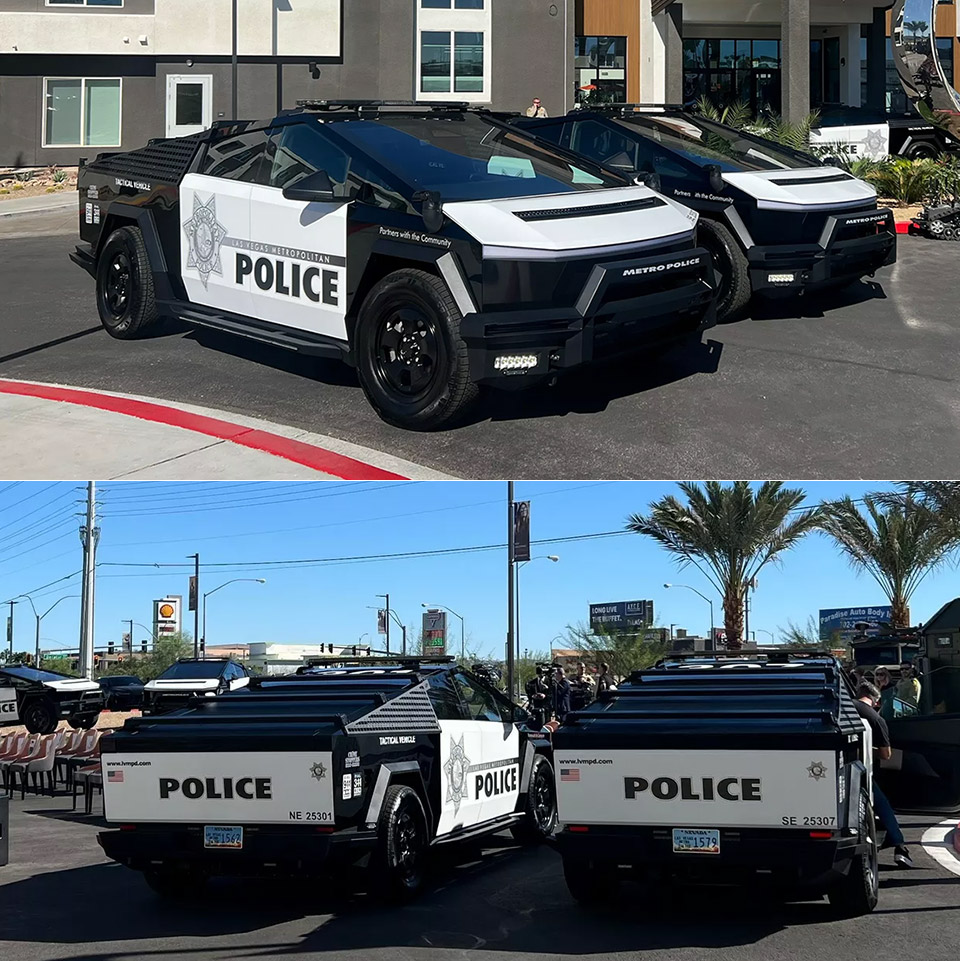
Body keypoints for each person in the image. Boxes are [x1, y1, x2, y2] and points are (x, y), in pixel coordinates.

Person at [855, 680, 913, 868]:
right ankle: (899, 845)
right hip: (863, 771)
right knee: (882, 805)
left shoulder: (845, 708)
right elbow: (885, 754)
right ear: (877, 701)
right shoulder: (876, 718)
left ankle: (897, 842)